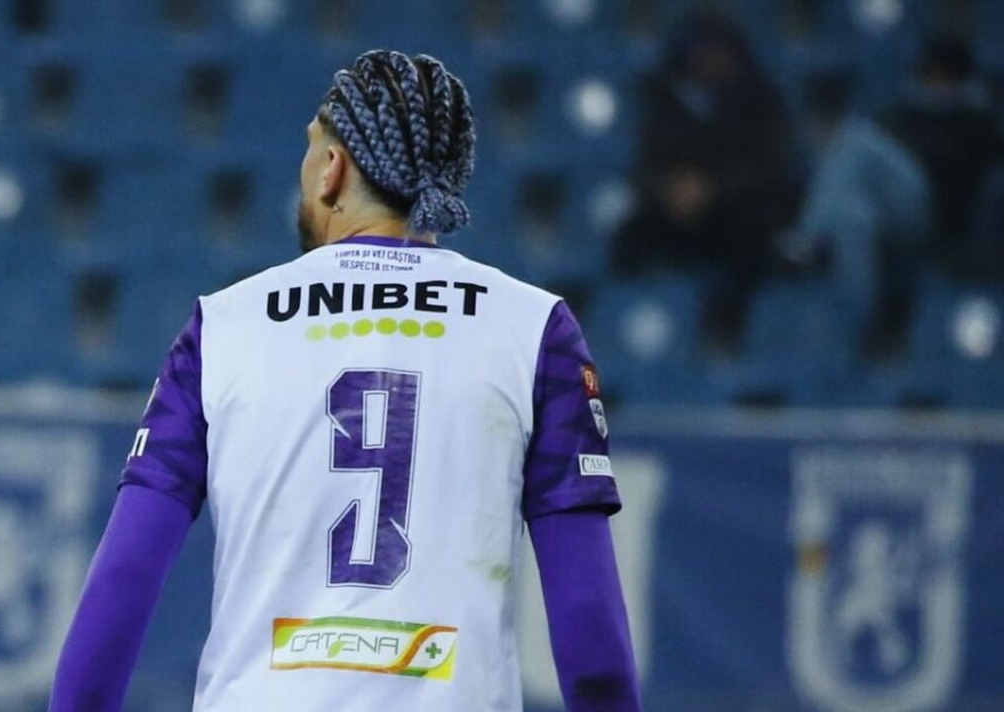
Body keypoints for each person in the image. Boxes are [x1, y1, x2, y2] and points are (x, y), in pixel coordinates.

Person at [49, 51, 640, 712]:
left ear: (332, 167)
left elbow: (124, 580)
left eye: (310, 148)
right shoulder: (532, 329)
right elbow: (591, 639)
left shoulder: (222, 327)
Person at [611, 11, 798, 347]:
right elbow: (645, 164)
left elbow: (770, 168)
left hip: (733, 212)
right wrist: (668, 188)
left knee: (755, 239)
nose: (711, 60)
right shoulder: (664, 99)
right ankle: (629, 330)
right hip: (675, 211)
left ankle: (727, 330)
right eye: (703, 51)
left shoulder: (760, 100)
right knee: (628, 237)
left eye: (718, 51)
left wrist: (713, 189)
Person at [787, 71, 930, 330]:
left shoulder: (853, 139)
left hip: (910, 221)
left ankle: (863, 321)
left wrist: (802, 240)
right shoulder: (851, 137)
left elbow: (830, 193)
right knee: (853, 213)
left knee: (851, 218)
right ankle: (863, 318)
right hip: (889, 217)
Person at [882, 34, 1004, 277]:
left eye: (944, 75)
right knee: (854, 210)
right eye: (931, 74)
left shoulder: (977, 120)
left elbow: (964, 168)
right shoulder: (902, 114)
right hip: (892, 204)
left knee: (857, 143)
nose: (936, 82)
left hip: (937, 210)